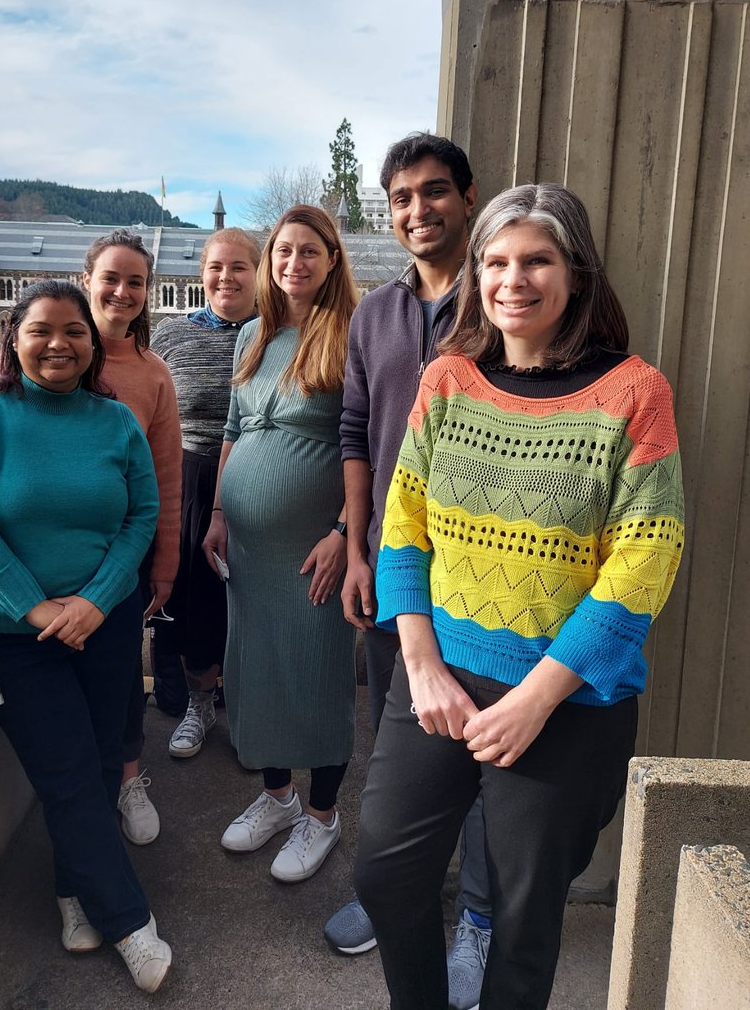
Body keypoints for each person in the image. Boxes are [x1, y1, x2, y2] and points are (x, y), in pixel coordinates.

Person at [355, 184, 684, 1010]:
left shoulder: (634, 393)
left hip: (566, 702)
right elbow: (403, 527)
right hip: (436, 684)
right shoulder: (448, 380)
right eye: (496, 261)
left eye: (536, 259)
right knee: (386, 869)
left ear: (573, 270)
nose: (514, 279)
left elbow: (646, 558)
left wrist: (538, 698)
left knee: (526, 915)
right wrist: (420, 663)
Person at [0, 280, 172, 993]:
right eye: (42, 330)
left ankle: (74, 894)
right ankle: (132, 923)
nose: (59, 343)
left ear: (93, 343)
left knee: (101, 764)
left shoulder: (115, 420)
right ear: (13, 336)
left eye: (74, 331)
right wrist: (39, 611)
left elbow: (140, 515)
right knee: (67, 775)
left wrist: (95, 602)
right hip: (12, 637)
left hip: (105, 624)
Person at [327, 132, 493, 1009]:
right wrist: (356, 549)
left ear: (468, 197)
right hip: (394, 575)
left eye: (434, 192)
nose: (417, 210)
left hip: (485, 584)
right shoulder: (375, 314)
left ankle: (478, 917)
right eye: (401, 198)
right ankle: (394, 895)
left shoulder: (501, 301)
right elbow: (355, 431)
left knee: (481, 754)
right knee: (396, 749)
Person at [202, 205, 358, 883]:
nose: (293, 264)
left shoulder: (351, 334)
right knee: (257, 671)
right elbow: (236, 427)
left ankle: (322, 816)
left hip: (312, 549)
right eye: (283, 252)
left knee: (317, 678)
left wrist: (345, 533)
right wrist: (218, 511)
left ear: (331, 261)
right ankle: (276, 797)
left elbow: (371, 446)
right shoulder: (252, 337)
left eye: (309, 252)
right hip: (249, 549)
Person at [81, 230, 182, 845]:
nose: (122, 291)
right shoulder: (46, 349)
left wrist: (164, 562)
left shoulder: (152, 374)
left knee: (121, 671)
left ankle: (128, 777)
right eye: (111, 278)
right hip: (50, 556)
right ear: (87, 279)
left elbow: (166, 477)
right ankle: (83, 786)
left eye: (136, 282)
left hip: (125, 557)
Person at [151, 227, 261, 758]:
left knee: (254, 605)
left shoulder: (277, 334)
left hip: (260, 475)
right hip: (189, 477)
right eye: (216, 266)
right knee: (198, 601)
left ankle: (249, 709)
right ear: (202, 274)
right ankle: (201, 703)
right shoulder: (171, 334)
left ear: (258, 273)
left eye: (239, 266)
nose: (226, 277)